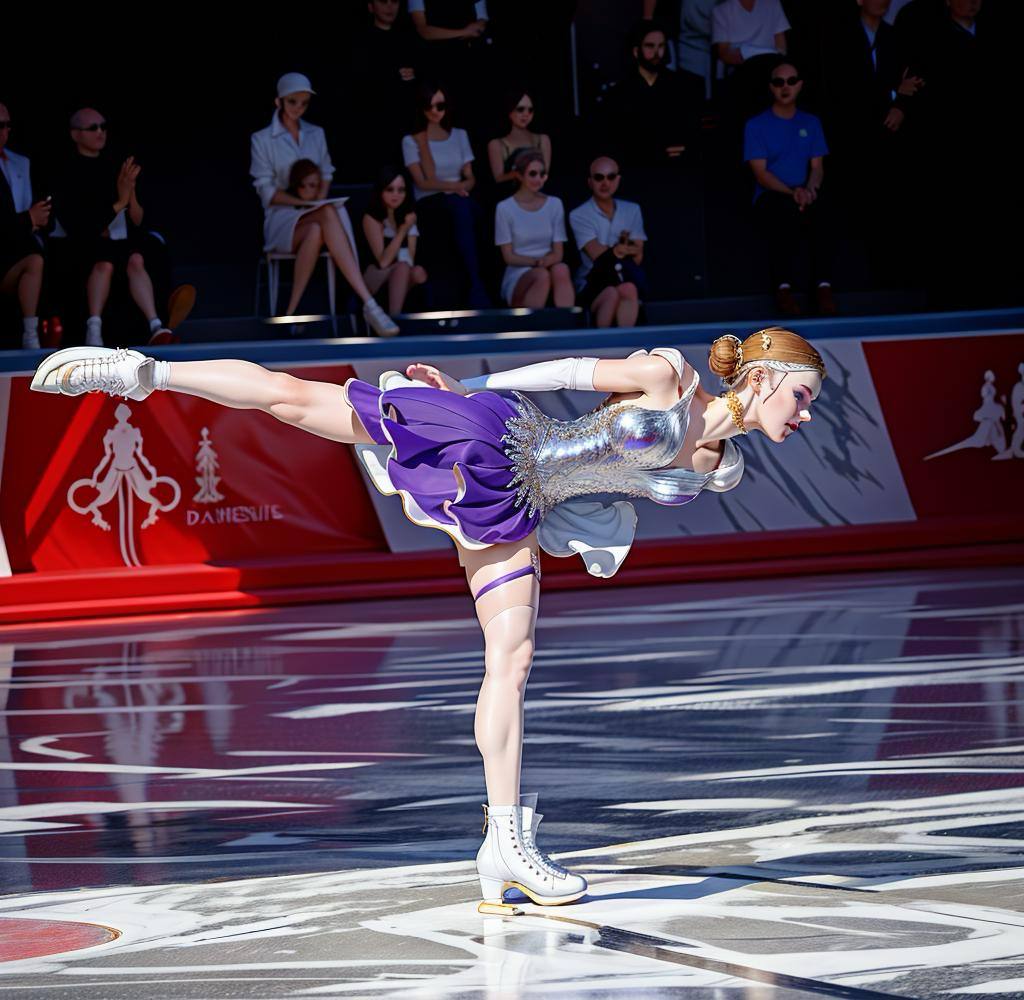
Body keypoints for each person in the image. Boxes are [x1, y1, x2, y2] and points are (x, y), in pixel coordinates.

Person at [31, 324, 826, 910]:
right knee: (295, 399)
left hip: (518, 508)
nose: (806, 415)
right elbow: (564, 371)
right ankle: (141, 371)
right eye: (803, 397)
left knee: (512, 661)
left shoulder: (718, 465)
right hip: (490, 439)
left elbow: (623, 482)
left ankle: (504, 843)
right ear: (762, 377)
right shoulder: (667, 376)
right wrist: (469, 390)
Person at [250, 72, 399, 336]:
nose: (299, 108)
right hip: (281, 220)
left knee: (320, 225)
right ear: (279, 101)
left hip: (313, 218)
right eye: (293, 101)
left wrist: (317, 199)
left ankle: (290, 313)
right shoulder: (261, 139)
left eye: (304, 103)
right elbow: (266, 192)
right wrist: (306, 202)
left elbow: (326, 173)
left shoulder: (315, 133)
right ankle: (369, 303)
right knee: (328, 213)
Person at [50, 108, 173, 348]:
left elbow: (137, 220)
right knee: (104, 261)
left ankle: (156, 324)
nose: (100, 132)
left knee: (141, 255)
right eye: (93, 128)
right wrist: (119, 202)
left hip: (119, 241)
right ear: (75, 134)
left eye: (103, 127)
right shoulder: (66, 170)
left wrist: (130, 192)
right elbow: (80, 224)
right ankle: (94, 329)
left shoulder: (115, 165)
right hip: (79, 244)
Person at [744, 59, 837, 317]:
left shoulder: (811, 122)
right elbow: (760, 173)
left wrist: (810, 190)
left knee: (825, 213)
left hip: (805, 191)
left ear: (800, 85)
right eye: (779, 82)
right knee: (781, 216)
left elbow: (817, 166)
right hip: (773, 193)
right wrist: (792, 192)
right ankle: (783, 290)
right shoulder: (756, 125)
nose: (785, 87)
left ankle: (824, 287)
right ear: (770, 87)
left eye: (791, 81)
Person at [402, 82, 489, 308]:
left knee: (467, 210)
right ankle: (475, 284)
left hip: (459, 197)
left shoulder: (460, 135)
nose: (434, 111)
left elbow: (470, 177)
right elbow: (424, 180)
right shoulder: (412, 140)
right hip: (429, 201)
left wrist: (460, 187)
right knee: (459, 209)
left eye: (439, 106)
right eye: (428, 106)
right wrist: (423, 142)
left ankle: (477, 282)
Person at [569, 156, 647, 329]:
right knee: (611, 293)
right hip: (592, 281)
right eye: (599, 177)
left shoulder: (632, 209)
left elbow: (638, 256)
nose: (605, 183)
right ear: (590, 182)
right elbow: (598, 257)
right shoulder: (578, 214)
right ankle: (602, 343)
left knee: (629, 288)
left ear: (618, 180)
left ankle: (627, 342)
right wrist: (624, 249)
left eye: (611, 177)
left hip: (625, 277)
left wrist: (617, 251)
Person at [609, 19, 696, 167]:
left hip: (677, 165)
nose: (657, 53)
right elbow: (621, 138)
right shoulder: (621, 93)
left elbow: (689, 130)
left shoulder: (680, 86)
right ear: (636, 51)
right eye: (650, 46)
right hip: (638, 166)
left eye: (661, 46)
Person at [493, 151, 571, 309]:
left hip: (548, 264)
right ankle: (531, 322)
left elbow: (558, 253)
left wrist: (545, 262)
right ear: (520, 175)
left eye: (542, 174)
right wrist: (536, 263)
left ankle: (567, 319)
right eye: (533, 174)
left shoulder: (555, 204)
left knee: (561, 269)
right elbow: (508, 257)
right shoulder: (505, 208)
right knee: (541, 275)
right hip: (519, 272)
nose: (538, 179)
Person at [349, 0, 420, 173]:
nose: (390, 7)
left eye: (394, 1)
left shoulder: (407, 38)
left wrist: (414, 73)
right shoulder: (361, 40)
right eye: (383, 1)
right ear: (371, 7)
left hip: (405, 122)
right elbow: (359, 80)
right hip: (374, 123)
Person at [0, 101, 49, 350]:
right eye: (0, 125)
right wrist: (27, 218)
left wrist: (37, 218)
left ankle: (32, 334)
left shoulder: (20, 162)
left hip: (16, 249)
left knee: (38, 259)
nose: (5, 130)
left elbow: (29, 205)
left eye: (7, 125)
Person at [712, 0, 790, 129]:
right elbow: (724, 53)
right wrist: (748, 57)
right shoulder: (722, 10)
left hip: (771, 70)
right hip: (741, 74)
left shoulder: (772, 4)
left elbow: (781, 48)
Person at [361, 166, 428, 315]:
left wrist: (408, 228)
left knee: (418, 271)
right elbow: (383, 262)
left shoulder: (408, 216)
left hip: (400, 275)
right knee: (402, 267)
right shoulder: (372, 218)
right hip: (375, 276)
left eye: (401, 190)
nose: (396, 195)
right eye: (390, 189)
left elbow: (411, 259)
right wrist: (403, 230)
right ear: (381, 191)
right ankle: (394, 318)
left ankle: (409, 318)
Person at [487, 89, 552, 192]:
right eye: (520, 109)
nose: (526, 114)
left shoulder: (543, 139)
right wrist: (517, 174)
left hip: (539, 193)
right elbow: (498, 178)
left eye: (530, 110)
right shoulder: (496, 144)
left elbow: (545, 175)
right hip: (510, 195)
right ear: (510, 111)